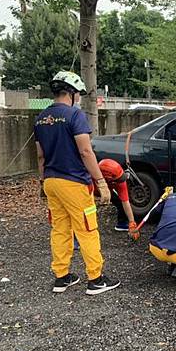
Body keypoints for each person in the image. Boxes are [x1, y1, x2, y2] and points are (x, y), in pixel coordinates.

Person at [35, 71, 120, 295]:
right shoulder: (75, 115)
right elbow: (85, 150)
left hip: (51, 182)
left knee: (60, 229)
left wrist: (43, 181)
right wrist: (101, 182)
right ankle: (96, 279)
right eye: (79, 94)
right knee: (87, 229)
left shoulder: (41, 118)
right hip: (73, 183)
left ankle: (62, 277)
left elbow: (41, 156)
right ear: (71, 93)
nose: (80, 98)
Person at [97, 159, 140, 239]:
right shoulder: (90, 177)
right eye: (118, 179)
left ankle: (122, 223)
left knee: (120, 200)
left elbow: (125, 201)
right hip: (94, 190)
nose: (121, 181)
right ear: (108, 178)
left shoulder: (120, 178)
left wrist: (132, 222)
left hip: (107, 188)